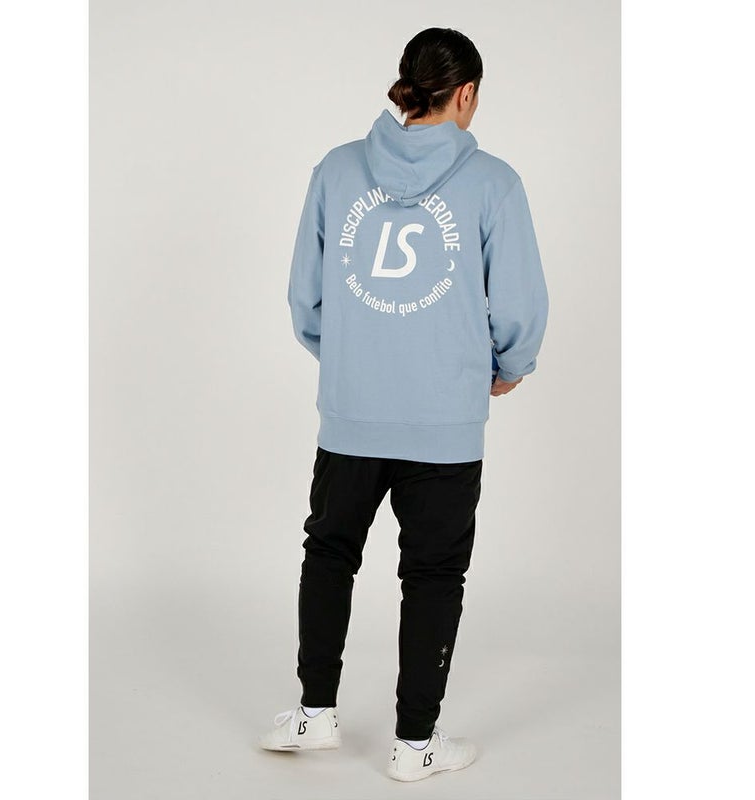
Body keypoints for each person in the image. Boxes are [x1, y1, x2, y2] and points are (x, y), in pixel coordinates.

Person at [258, 27, 549, 782]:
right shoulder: (494, 183)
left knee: (330, 554)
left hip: (351, 415)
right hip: (446, 423)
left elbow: (305, 300)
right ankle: (415, 746)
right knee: (433, 575)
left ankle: (315, 715)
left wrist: (356, 359)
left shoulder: (336, 170)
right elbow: (519, 304)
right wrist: (508, 365)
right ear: (466, 94)